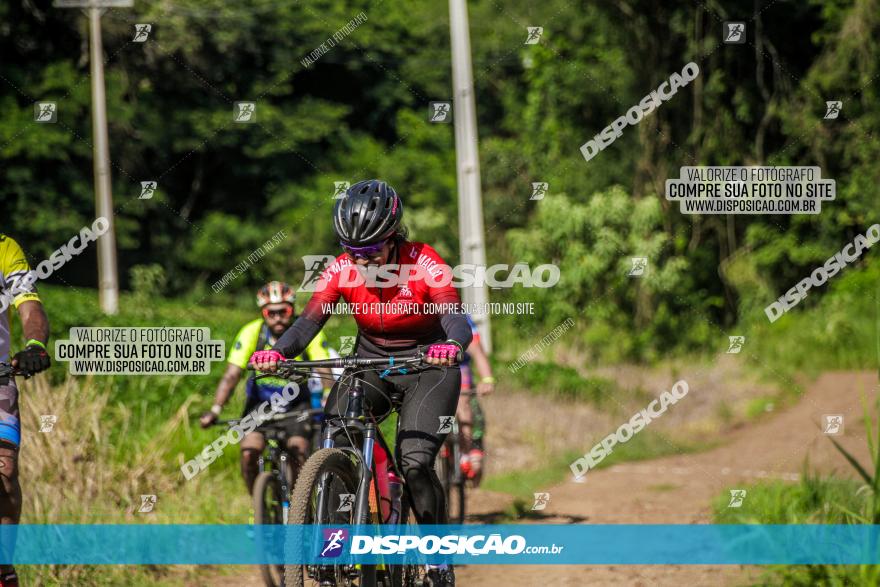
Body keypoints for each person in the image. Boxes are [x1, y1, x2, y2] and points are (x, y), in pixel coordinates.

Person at [251, 179, 471, 587]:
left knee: (416, 463)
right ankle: (336, 545)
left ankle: (438, 561)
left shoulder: (425, 261)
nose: (363, 260)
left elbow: (453, 315)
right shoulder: (340, 267)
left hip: (428, 366)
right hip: (370, 362)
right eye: (354, 252)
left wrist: (453, 343)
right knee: (335, 434)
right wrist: (279, 352)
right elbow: (310, 320)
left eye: (371, 251)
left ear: (393, 238)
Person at [199, 281, 332, 497]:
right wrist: (215, 409)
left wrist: (327, 395)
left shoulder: (304, 332)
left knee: (299, 451)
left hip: (297, 406)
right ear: (263, 312)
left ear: (293, 310)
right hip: (259, 407)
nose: (278, 317)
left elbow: (323, 366)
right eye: (271, 312)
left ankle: (301, 509)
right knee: (249, 453)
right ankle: (257, 505)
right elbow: (232, 374)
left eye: (284, 311)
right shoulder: (252, 332)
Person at [0, 235, 51, 587]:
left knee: (4, 467)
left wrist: (34, 344)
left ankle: (4, 570)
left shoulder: (5, 248)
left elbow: (29, 305)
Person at [456, 314, 495, 484]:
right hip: (433, 367)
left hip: (459, 366)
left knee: (462, 399)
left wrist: (487, 379)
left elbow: (478, 352)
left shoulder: (462, 318)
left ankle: (465, 452)